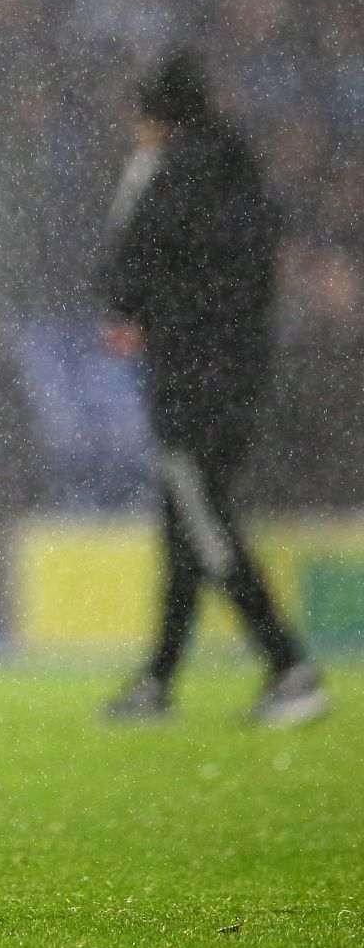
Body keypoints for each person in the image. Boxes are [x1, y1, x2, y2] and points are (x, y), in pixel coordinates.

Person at [98, 51, 328, 727]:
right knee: (185, 527)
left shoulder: (166, 178)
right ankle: (158, 681)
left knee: (203, 524)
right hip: (240, 377)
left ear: (154, 118)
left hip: (188, 384)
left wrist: (137, 183)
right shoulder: (239, 172)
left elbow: (118, 278)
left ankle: (289, 667)